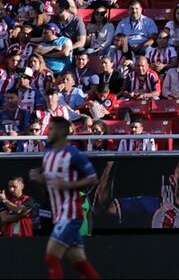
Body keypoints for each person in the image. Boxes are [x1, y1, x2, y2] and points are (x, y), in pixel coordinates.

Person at [29, 116, 101, 280]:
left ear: (61, 132)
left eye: (52, 128)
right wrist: (38, 178)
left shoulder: (74, 154)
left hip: (70, 214)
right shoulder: (48, 153)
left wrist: (68, 185)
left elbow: (93, 179)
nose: (48, 131)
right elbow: (49, 182)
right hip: (58, 214)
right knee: (79, 262)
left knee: (51, 257)